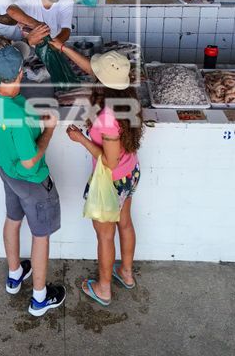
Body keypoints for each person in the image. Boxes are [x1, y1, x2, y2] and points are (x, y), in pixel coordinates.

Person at [54, 43, 143, 307]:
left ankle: (103, 288)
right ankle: (126, 273)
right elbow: (90, 68)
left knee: (105, 235)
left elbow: (109, 160)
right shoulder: (127, 95)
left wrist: (79, 138)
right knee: (124, 223)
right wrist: (60, 47)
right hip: (130, 174)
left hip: (111, 181)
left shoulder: (106, 116)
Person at [0, 45, 67, 317]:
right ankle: (40, 299)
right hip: (31, 180)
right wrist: (49, 129)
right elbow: (30, 160)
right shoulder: (18, 116)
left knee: (12, 219)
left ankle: (15, 274)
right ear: (21, 72)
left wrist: (35, 118)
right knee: (40, 236)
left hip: (6, 170)